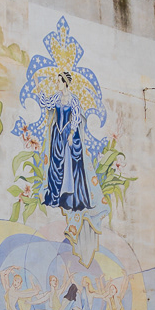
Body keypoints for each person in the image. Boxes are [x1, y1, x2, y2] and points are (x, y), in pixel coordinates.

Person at [38, 72, 91, 212]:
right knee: (56, 164)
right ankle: (54, 197)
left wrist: (72, 133)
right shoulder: (56, 97)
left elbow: (76, 117)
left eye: (59, 81)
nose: (57, 83)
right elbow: (46, 104)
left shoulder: (73, 99)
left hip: (67, 133)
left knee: (68, 164)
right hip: (57, 132)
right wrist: (40, 92)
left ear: (65, 83)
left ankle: (67, 198)